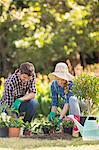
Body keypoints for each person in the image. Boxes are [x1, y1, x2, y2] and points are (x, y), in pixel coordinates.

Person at [48, 62, 87, 136]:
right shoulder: (54, 85)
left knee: (72, 99)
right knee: (69, 102)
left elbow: (68, 103)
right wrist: (52, 113)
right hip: (73, 105)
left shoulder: (71, 83)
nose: (60, 81)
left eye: (62, 79)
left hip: (83, 103)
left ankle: (76, 127)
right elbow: (54, 102)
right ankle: (71, 128)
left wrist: (60, 118)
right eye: (58, 78)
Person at [0, 62, 39, 135]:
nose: (26, 80)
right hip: (6, 104)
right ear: (19, 72)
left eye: (28, 78)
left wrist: (20, 100)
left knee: (34, 104)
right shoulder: (10, 82)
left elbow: (33, 93)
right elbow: (9, 107)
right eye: (24, 77)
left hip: (20, 102)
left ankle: (26, 127)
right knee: (4, 117)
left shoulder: (31, 76)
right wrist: (16, 122)